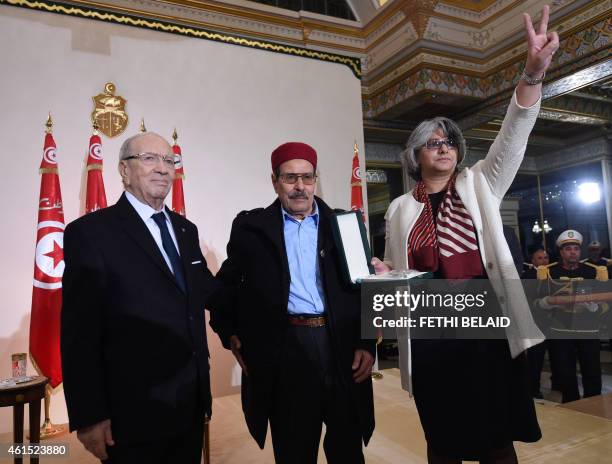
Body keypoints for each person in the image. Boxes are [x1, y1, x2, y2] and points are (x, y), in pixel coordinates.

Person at [371, 6, 558, 462]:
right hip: (433, 333)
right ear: (415, 154)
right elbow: (403, 276)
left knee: (496, 440)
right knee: (444, 439)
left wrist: (531, 75)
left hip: (485, 327)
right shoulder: (398, 208)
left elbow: (513, 136)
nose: (446, 147)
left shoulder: (480, 183)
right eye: (434, 142)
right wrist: (387, 274)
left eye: (450, 141)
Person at [209, 142, 375, 464]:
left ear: (315, 179)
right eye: (290, 178)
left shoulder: (345, 225)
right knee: (294, 448)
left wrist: (367, 343)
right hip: (285, 351)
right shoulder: (251, 228)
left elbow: (364, 290)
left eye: (307, 178)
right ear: (275, 181)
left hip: (339, 346)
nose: (300, 187)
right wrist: (228, 331)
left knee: (348, 450)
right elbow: (224, 286)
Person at [61, 132, 216, 463]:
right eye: (149, 159)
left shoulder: (185, 230)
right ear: (123, 170)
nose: (162, 168)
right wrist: (88, 415)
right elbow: (79, 334)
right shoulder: (90, 234)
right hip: (130, 415)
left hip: (189, 404)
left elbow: (208, 292)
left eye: (169, 160)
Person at [534, 230, 606, 403]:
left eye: (576, 248)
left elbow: (606, 302)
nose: (573, 252)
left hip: (588, 330)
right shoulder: (549, 272)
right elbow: (537, 302)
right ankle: (572, 408)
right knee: (565, 373)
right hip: (561, 330)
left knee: (592, 372)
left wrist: (595, 307)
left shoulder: (594, 271)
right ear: (561, 252)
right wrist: (547, 302)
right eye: (568, 249)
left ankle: (594, 407)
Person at [523, 247, 552, 398]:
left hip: (554, 322)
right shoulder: (527, 276)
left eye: (546, 257)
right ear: (533, 261)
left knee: (557, 356)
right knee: (536, 359)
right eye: (540, 258)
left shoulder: (554, 274)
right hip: (535, 322)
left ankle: (559, 383)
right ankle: (534, 388)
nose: (544, 261)